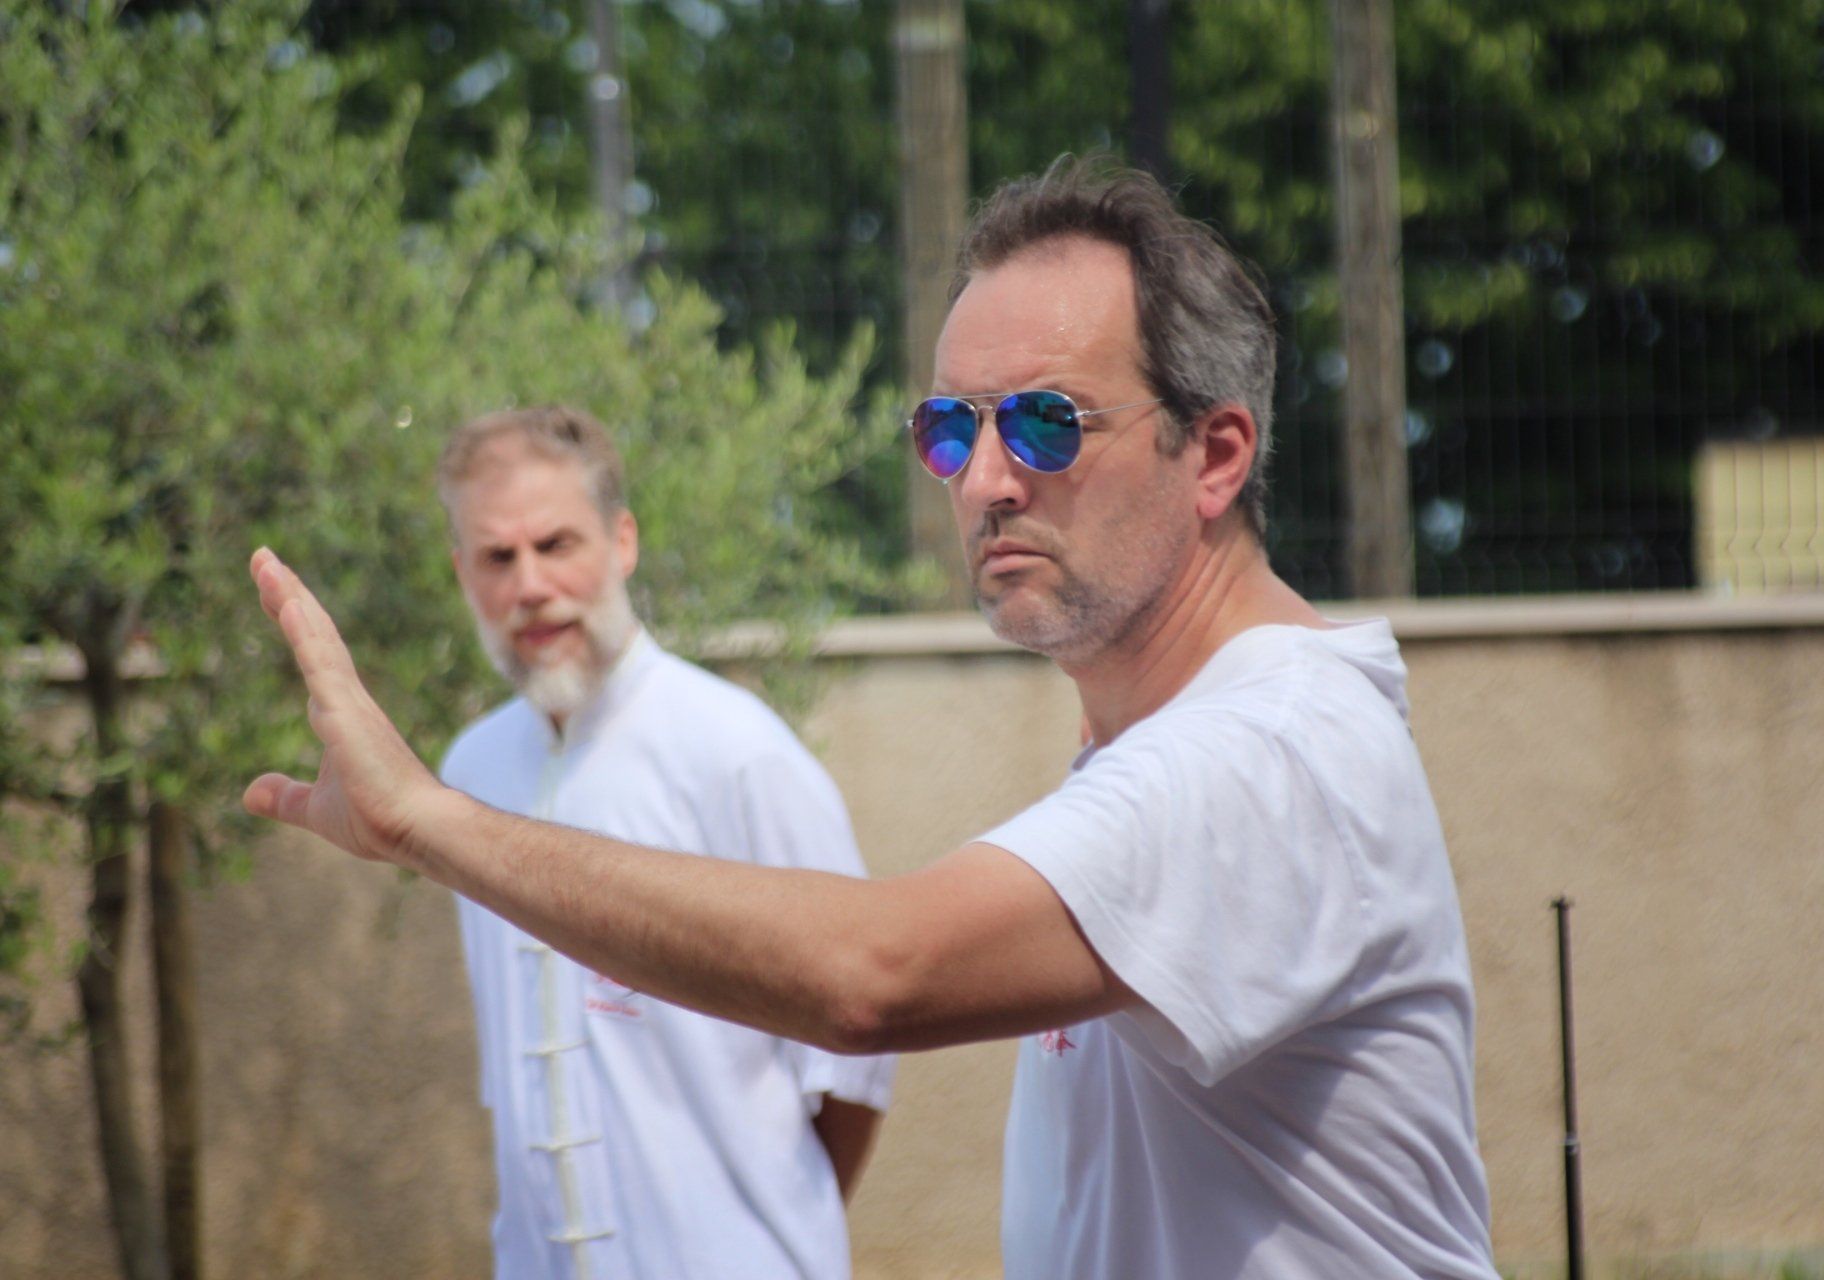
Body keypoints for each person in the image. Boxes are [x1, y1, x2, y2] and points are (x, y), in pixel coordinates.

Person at [244, 157, 1498, 1279]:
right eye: (952, 427)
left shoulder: (1267, 749)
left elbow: (866, 980)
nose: (990, 479)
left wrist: (426, 821)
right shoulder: (1160, 744)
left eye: (1049, 420)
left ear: (1215, 454)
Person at [433, 406, 893, 1280]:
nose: (530, 585)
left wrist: (755, 1227)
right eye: (499, 557)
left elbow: (856, 1064)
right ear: (463, 575)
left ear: (623, 542)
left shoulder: (735, 752)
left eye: (556, 544)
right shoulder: (471, 771)